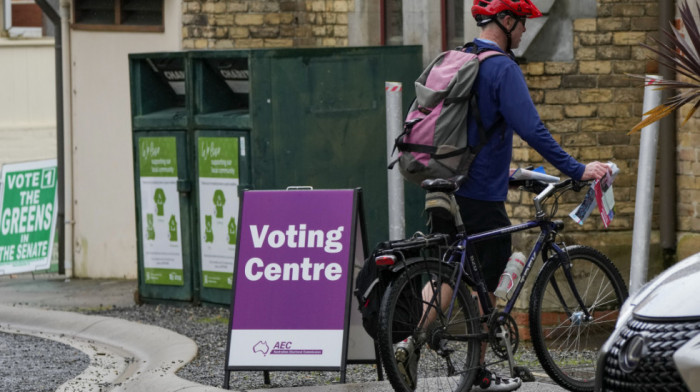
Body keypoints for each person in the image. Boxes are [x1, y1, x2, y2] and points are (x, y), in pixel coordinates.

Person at [394, 1, 613, 391]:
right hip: (478, 196)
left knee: (451, 268)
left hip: (444, 185)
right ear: (505, 21)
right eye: (522, 22)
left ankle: (408, 342)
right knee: (484, 282)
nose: (525, 30)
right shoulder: (502, 68)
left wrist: (512, 174)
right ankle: (475, 371)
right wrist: (578, 170)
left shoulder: (462, 57)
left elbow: (471, 134)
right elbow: (533, 130)